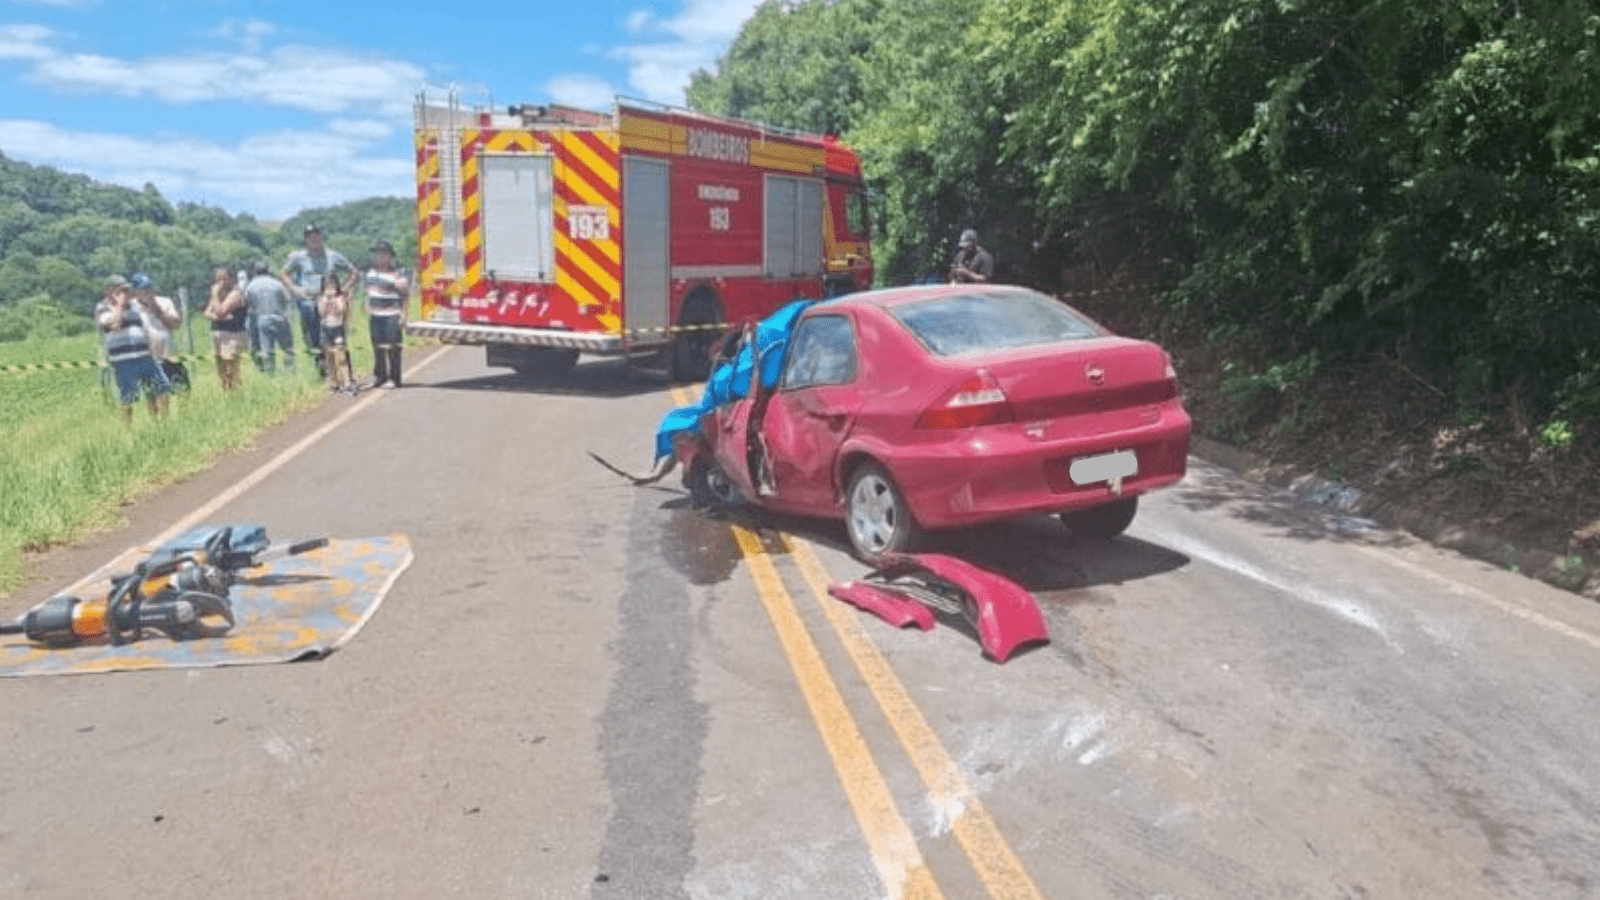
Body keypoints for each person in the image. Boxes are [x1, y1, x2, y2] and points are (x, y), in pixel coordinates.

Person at [281, 224, 355, 377]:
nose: (314, 239)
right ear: (305, 239)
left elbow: (353, 272)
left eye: (317, 235)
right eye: (310, 236)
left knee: (336, 336)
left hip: (330, 302)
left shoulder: (333, 256)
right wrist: (294, 288)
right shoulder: (298, 257)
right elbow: (284, 273)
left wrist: (344, 288)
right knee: (314, 338)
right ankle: (323, 371)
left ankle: (344, 372)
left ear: (322, 236)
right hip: (309, 300)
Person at [95, 275, 171, 424]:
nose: (127, 293)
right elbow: (114, 325)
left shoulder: (135, 306)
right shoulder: (102, 307)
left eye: (127, 290)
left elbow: (143, 326)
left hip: (144, 355)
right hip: (123, 359)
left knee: (162, 387)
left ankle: (162, 423)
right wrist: (118, 306)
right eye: (121, 290)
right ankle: (128, 430)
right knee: (127, 396)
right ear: (109, 292)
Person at [363, 240, 410, 389]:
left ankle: (394, 378)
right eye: (377, 254)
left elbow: (405, 296)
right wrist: (367, 306)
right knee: (378, 347)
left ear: (390, 257)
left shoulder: (397, 274)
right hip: (375, 315)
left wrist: (404, 316)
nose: (380, 257)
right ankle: (380, 376)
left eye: (384, 254)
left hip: (392, 315)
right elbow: (367, 292)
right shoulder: (370, 273)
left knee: (393, 347)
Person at [129, 272, 187, 391]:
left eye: (148, 287)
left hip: (169, 356)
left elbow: (176, 324)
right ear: (135, 291)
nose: (147, 292)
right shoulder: (130, 307)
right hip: (146, 359)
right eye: (142, 289)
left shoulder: (164, 302)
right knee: (153, 395)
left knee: (183, 389)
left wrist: (158, 311)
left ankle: (184, 410)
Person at [202, 265, 249, 391]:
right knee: (221, 369)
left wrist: (215, 295)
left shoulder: (235, 294)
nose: (221, 282)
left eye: (224, 278)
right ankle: (227, 393)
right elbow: (207, 313)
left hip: (232, 335)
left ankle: (236, 393)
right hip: (218, 334)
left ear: (231, 279)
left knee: (231, 369)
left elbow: (220, 311)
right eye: (218, 279)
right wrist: (217, 316)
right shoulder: (218, 296)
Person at [244, 260, 295, 373]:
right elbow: (287, 299)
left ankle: (269, 372)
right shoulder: (276, 283)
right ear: (268, 270)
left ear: (255, 272)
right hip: (280, 317)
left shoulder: (251, 286)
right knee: (287, 347)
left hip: (262, 319)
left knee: (267, 349)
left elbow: (247, 303)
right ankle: (289, 369)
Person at [317, 276, 357, 394]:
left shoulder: (340, 297)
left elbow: (341, 311)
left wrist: (334, 300)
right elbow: (321, 313)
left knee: (341, 356)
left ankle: (347, 382)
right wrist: (326, 300)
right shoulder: (321, 298)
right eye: (327, 286)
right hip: (326, 329)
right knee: (329, 357)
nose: (330, 288)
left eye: (332, 285)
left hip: (338, 329)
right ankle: (334, 383)